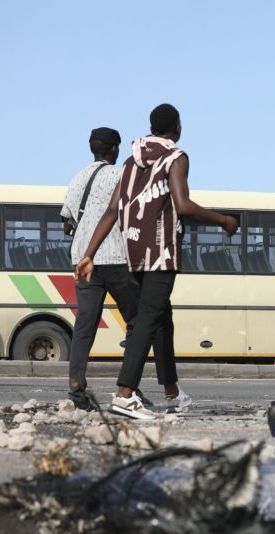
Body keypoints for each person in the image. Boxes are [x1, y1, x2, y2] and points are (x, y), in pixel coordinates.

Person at [76, 104, 238, 419]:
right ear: (176, 127)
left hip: (134, 251)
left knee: (161, 318)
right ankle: (124, 395)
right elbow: (183, 205)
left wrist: (88, 253)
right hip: (162, 253)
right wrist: (223, 220)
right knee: (148, 320)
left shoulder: (130, 161)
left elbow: (112, 210)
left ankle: (172, 392)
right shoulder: (176, 158)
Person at [61, 127, 160, 410]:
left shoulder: (76, 178)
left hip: (83, 259)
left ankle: (77, 387)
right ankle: (129, 389)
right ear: (115, 150)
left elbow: (66, 222)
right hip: (115, 256)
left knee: (85, 324)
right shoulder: (121, 175)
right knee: (138, 321)